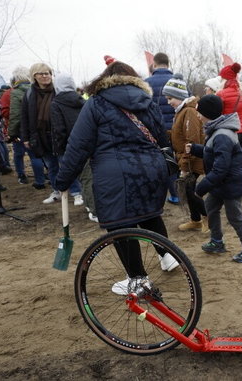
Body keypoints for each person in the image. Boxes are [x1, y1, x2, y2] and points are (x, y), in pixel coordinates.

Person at [55, 61, 180, 292]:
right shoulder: (147, 101)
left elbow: (78, 146)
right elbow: (162, 139)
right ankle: (168, 255)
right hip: (151, 170)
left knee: (121, 225)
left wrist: (63, 181)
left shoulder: (96, 103)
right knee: (150, 214)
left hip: (115, 174)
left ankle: (138, 279)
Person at [186, 94, 242, 263]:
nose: (198, 115)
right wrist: (196, 149)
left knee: (235, 215)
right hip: (221, 183)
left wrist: (201, 187)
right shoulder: (217, 131)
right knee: (210, 206)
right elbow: (212, 151)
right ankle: (216, 241)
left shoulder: (222, 135)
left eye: (200, 112)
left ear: (208, 114)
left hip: (231, 183)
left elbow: (221, 168)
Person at [162, 75, 208, 232]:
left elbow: (192, 141)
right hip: (186, 159)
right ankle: (195, 220)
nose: (168, 102)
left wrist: (184, 166)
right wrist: (165, 134)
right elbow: (180, 135)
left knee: (191, 191)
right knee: (188, 191)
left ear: (179, 96)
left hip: (192, 160)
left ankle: (208, 218)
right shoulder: (180, 111)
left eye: (170, 98)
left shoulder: (188, 112)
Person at [21, 63, 71, 204]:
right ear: (34, 76)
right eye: (41, 73)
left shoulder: (58, 90)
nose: (45, 76)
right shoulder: (30, 94)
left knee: (66, 164)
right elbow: (24, 117)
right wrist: (25, 137)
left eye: (47, 73)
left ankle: (76, 192)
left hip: (60, 135)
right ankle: (57, 191)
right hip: (41, 136)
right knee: (51, 166)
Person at [145, 52, 179, 205]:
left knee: (156, 162)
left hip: (154, 130)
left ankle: (156, 195)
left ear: (154, 64)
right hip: (176, 128)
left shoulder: (146, 84)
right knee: (173, 160)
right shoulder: (177, 82)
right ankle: (176, 193)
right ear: (168, 63)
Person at [49, 72, 85, 207]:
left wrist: (59, 146)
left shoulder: (56, 103)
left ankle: (77, 194)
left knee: (69, 169)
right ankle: (85, 198)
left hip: (67, 145)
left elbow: (59, 128)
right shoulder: (81, 99)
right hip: (84, 141)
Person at [7, 66, 46, 187]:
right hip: (40, 127)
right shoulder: (37, 89)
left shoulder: (16, 92)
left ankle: (22, 175)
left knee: (20, 154)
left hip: (23, 130)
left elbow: (15, 115)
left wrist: (12, 132)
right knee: (39, 154)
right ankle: (42, 179)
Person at [216, 63, 242, 160]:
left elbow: (218, 114)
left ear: (225, 79)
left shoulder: (220, 94)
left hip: (229, 132)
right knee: (241, 164)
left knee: (229, 163)